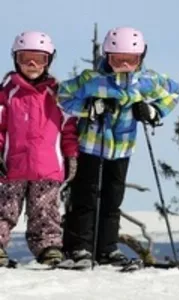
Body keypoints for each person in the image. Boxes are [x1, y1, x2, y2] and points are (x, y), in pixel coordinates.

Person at [58, 26, 179, 266]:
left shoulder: (148, 81)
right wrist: (89, 108)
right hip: (92, 147)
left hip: (122, 150)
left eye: (131, 60)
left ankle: (107, 248)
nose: (125, 65)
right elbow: (62, 95)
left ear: (141, 57)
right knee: (86, 196)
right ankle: (79, 247)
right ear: (107, 56)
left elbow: (174, 93)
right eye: (118, 60)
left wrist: (153, 111)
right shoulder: (92, 80)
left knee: (113, 199)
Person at [0, 31, 79, 267]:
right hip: (11, 166)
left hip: (48, 167)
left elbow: (69, 129)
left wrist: (71, 155)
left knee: (46, 212)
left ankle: (49, 248)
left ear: (49, 61)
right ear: (16, 59)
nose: (32, 65)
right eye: (26, 59)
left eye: (39, 59)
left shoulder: (59, 94)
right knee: (4, 209)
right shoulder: (6, 93)